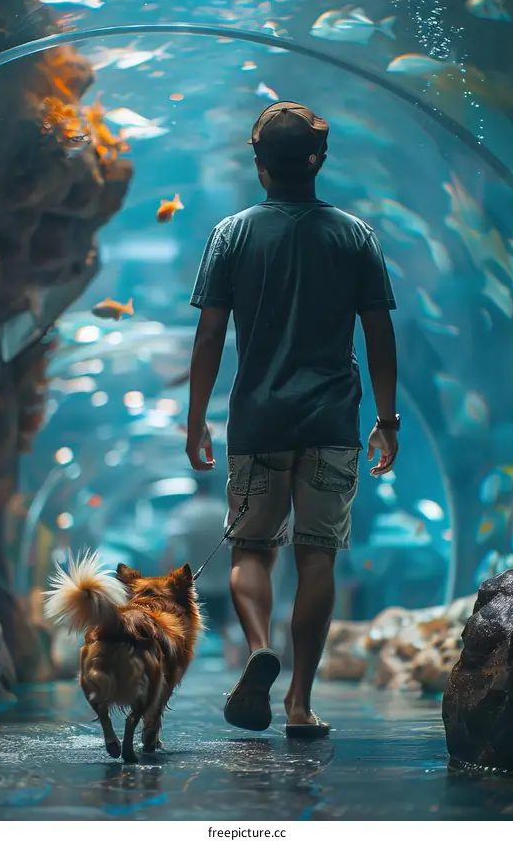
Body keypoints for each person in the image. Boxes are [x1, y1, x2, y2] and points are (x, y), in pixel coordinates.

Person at [185, 101, 399, 738]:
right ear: (319, 160)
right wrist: (387, 419)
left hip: (258, 421)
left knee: (251, 549)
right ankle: (300, 703)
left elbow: (208, 337)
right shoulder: (355, 236)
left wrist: (195, 419)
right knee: (317, 558)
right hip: (333, 420)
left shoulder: (232, 234)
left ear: (258, 166)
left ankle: (257, 648)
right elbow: (380, 334)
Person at [163, 474, 230, 631]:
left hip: (193, 583)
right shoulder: (222, 510)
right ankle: (230, 656)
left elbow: (171, 550)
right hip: (220, 581)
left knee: (191, 629)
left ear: (195, 487)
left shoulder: (184, 512)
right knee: (223, 628)